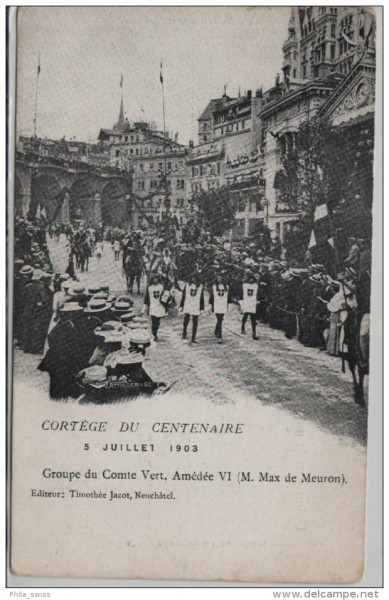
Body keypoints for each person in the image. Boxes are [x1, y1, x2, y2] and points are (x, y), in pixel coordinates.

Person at [22, 269, 53, 354]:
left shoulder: (27, 285)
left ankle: (26, 347)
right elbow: (45, 299)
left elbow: (23, 297)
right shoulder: (42, 287)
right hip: (37, 311)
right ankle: (34, 348)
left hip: (28, 309)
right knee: (37, 329)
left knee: (28, 327)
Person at [143, 275, 170, 342]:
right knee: (153, 322)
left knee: (157, 322)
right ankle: (154, 335)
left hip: (160, 306)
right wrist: (144, 308)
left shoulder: (162, 287)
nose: (155, 280)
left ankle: (155, 333)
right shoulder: (150, 288)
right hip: (153, 306)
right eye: (154, 279)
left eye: (156, 279)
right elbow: (147, 298)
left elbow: (166, 296)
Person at [180, 275, 204, 344]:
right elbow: (184, 296)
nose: (194, 280)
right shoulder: (187, 286)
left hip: (196, 306)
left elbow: (201, 298)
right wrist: (182, 305)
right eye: (192, 279)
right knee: (186, 320)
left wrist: (202, 308)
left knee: (195, 322)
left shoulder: (200, 287)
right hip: (188, 304)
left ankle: (193, 337)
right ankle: (184, 333)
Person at [209, 276, 232, 343]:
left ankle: (216, 331)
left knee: (220, 319)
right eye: (218, 278)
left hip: (223, 305)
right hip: (217, 304)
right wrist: (211, 305)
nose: (220, 280)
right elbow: (212, 296)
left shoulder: (226, 287)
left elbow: (228, 297)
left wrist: (228, 304)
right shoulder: (214, 287)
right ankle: (220, 335)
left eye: (221, 278)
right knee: (219, 319)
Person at [240, 273, 259, 340]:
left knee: (253, 319)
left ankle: (254, 333)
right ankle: (242, 327)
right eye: (250, 279)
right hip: (247, 302)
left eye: (252, 279)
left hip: (252, 304)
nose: (251, 280)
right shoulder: (245, 286)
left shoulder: (256, 286)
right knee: (245, 316)